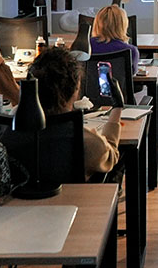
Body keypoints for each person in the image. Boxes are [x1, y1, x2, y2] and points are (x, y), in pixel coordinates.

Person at [28, 46, 120, 181]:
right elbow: (111, 155)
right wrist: (117, 108)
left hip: (23, 195)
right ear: (76, 89)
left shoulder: (11, 129)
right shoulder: (87, 142)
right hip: (73, 195)